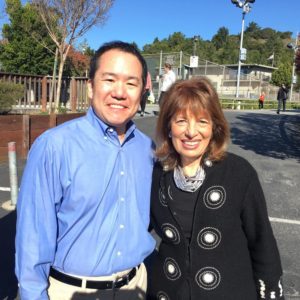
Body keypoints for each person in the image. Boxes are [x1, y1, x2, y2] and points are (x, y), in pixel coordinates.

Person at [15, 41, 156, 300]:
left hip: (136, 286)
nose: (120, 92)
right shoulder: (55, 146)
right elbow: (32, 239)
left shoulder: (148, 149)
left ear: (141, 92)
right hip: (73, 291)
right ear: (91, 86)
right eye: (109, 79)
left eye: (131, 83)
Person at [147, 77, 284, 300]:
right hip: (168, 292)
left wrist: (270, 292)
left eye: (202, 121)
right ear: (168, 127)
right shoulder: (157, 174)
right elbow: (134, 229)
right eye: (181, 121)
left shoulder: (239, 173)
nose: (191, 132)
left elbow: (262, 242)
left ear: (214, 127)